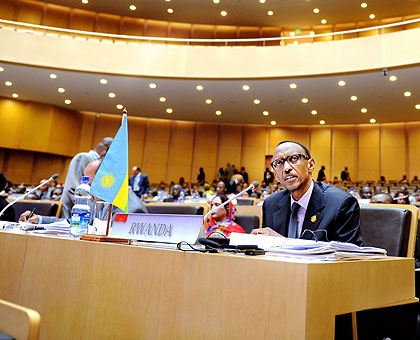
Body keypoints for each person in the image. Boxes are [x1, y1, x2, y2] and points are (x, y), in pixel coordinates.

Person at [252, 141, 363, 245]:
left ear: (310, 165)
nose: (286, 168)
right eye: (279, 163)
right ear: (276, 176)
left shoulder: (341, 204)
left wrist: (284, 243)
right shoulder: (271, 204)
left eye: (294, 159)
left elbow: (350, 258)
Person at [19, 159, 147, 224]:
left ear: (108, 181)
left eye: (90, 184)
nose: (88, 190)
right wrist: (39, 220)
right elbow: (75, 223)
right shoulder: (94, 200)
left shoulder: (131, 209)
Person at [60, 137, 113, 219]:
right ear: (107, 150)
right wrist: (85, 208)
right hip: (74, 213)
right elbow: (72, 189)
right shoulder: (83, 157)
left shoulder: (98, 162)